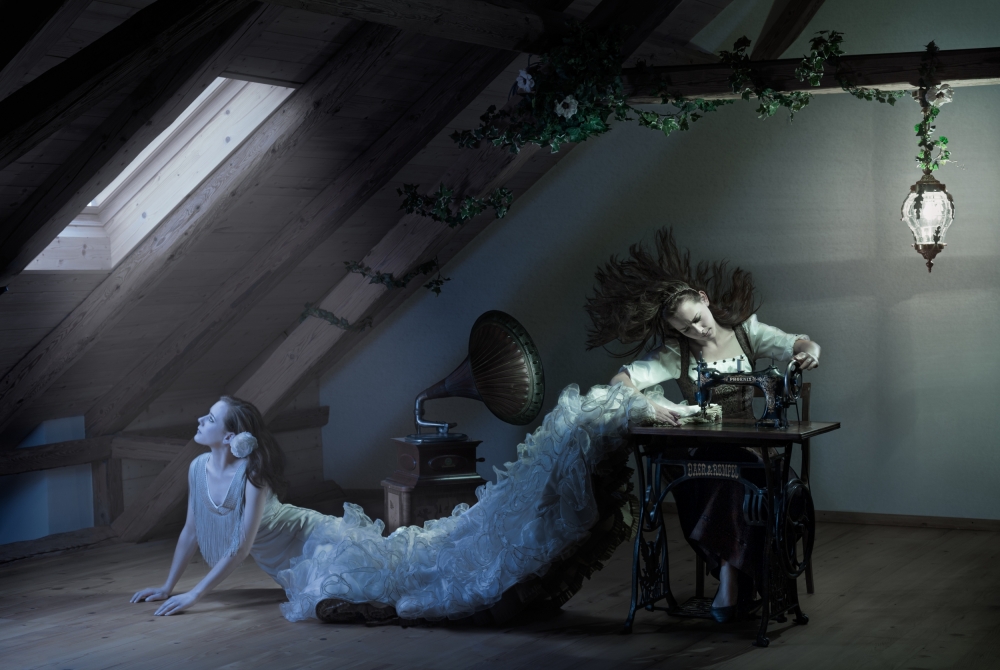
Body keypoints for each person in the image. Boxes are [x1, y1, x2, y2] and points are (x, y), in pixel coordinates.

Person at [131, 390, 652, 622]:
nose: (199, 422)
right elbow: (190, 532)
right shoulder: (197, 468)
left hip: (317, 540)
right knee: (400, 575)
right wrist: (169, 586)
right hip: (291, 564)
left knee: (411, 570)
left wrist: (194, 595)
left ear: (232, 437)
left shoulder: (253, 474)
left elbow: (240, 548)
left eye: (209, 418)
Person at [585, 227, 820, 622]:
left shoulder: (748, 333)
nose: (697, 331)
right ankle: (732, 578)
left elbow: (796, 343)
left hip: (752, 448)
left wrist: (809, 352)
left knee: (755, 485)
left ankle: (734, 577)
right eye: (685, 329)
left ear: (704, 299)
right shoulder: (675, 353)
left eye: (697, 319)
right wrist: (647, 402)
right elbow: (621, 381)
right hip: (702, 450)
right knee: (720, 476)